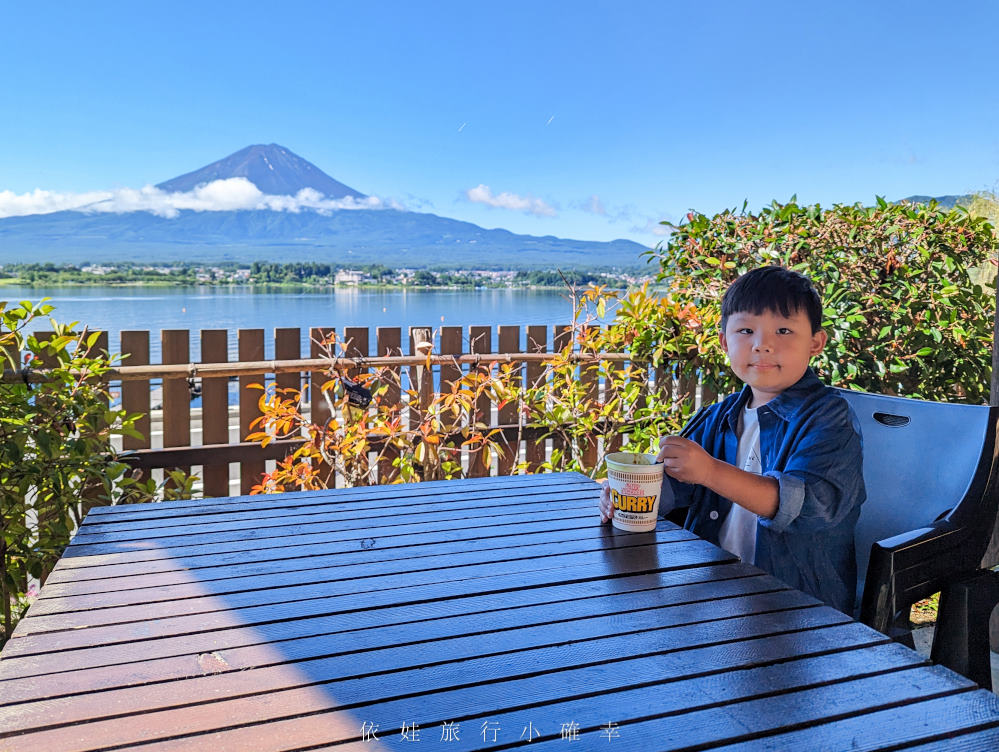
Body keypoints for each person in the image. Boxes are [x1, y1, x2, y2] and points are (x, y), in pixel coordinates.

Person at [599, 266, 865, 614]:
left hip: (798, 607)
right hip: (715, 592)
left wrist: (709, 471)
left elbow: (805, 507)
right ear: (725, 341)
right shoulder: (718, 416)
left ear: (815, 343)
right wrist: (630, 494)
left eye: (783, 330)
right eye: (746, 330)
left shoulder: (829, 418)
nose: (763, 345)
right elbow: (676, 489)